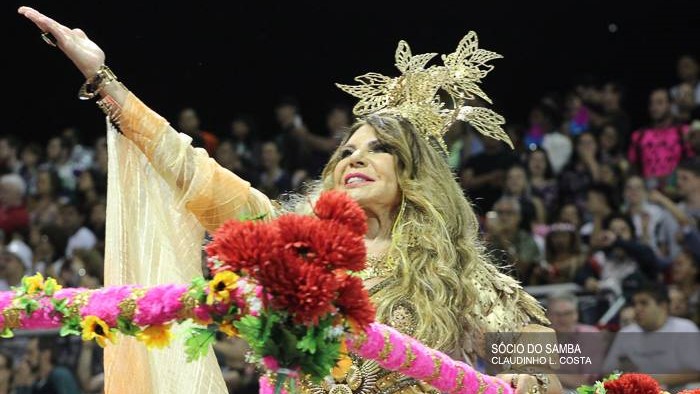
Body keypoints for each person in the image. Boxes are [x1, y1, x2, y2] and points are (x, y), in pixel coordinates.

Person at [18, 7, 562, 394]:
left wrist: (529, 377)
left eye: (379, 149)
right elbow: (189, 168)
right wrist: (104, 79)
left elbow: (557, 366)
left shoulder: (463, 276)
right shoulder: (292, 242)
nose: (354, 157)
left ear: (417, 175)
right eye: (346, 150)